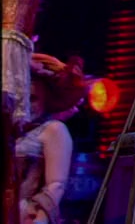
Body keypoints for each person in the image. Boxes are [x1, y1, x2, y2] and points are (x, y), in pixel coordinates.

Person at [14, 53, 85, 224]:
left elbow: (56, 185)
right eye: (20, 98)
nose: (26, 106)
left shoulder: (53, 130)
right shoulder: (10, 134)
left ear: (47, 100)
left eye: (33, 99)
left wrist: (40, 219)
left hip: (26, 216)